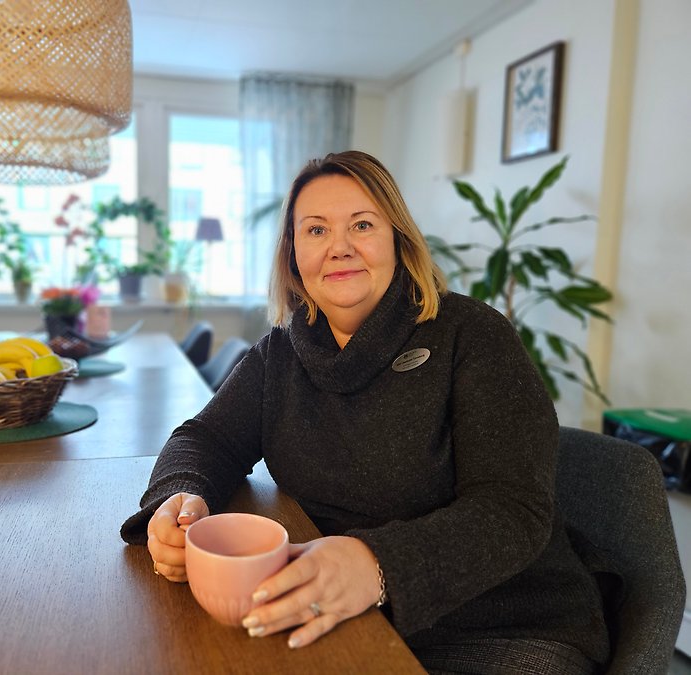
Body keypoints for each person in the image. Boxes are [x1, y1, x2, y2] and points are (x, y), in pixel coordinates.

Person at [120, 150, 609, 674]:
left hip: (500, 623)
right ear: (292, 256)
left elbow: (514, 509)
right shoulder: (278, 354)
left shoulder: (473, 336)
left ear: (397, 239)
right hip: (344, 609)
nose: (339, 247)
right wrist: (176, 499)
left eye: (361, 224)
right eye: (315, 231)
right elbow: (205, 439)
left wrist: (377, 565)